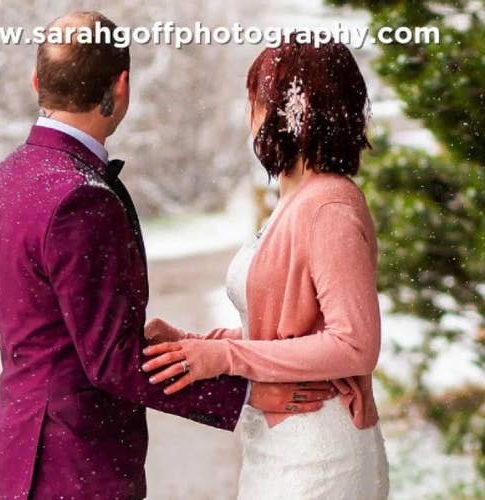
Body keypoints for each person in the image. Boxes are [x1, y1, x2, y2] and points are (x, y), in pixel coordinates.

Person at [0, 12, 334, 500]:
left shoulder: (1, 180)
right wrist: (246, 392)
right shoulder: (82, 198)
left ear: (37, 82)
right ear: (122, 87)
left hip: (15, 463)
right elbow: (111, 364)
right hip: (76, 468)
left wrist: (67, 348)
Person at [142, 40, 390, 499]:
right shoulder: (295, 200)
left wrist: (225, 359)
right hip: (281, 444)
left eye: (257, 99)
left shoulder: (329, 204)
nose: (250, 116)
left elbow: (355, 343)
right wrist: (198, 344)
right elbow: (286, 330)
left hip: (320, 453)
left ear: (292, 111)